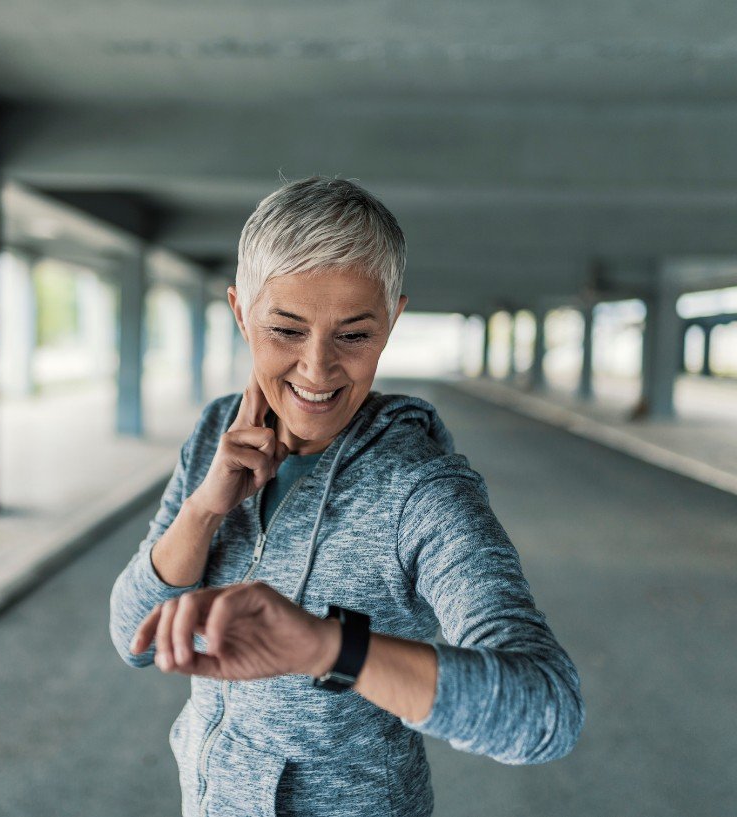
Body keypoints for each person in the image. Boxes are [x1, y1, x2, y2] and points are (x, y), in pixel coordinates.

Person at [108, 176, 584, 817]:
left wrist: (329, 646)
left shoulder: (421, 490)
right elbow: (130, 637)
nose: (317, 368)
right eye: (285, 330)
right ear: (241, 315)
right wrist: (204, 508)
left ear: (392, 321)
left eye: (354, 335)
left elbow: (546, 712)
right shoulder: (219, 434)